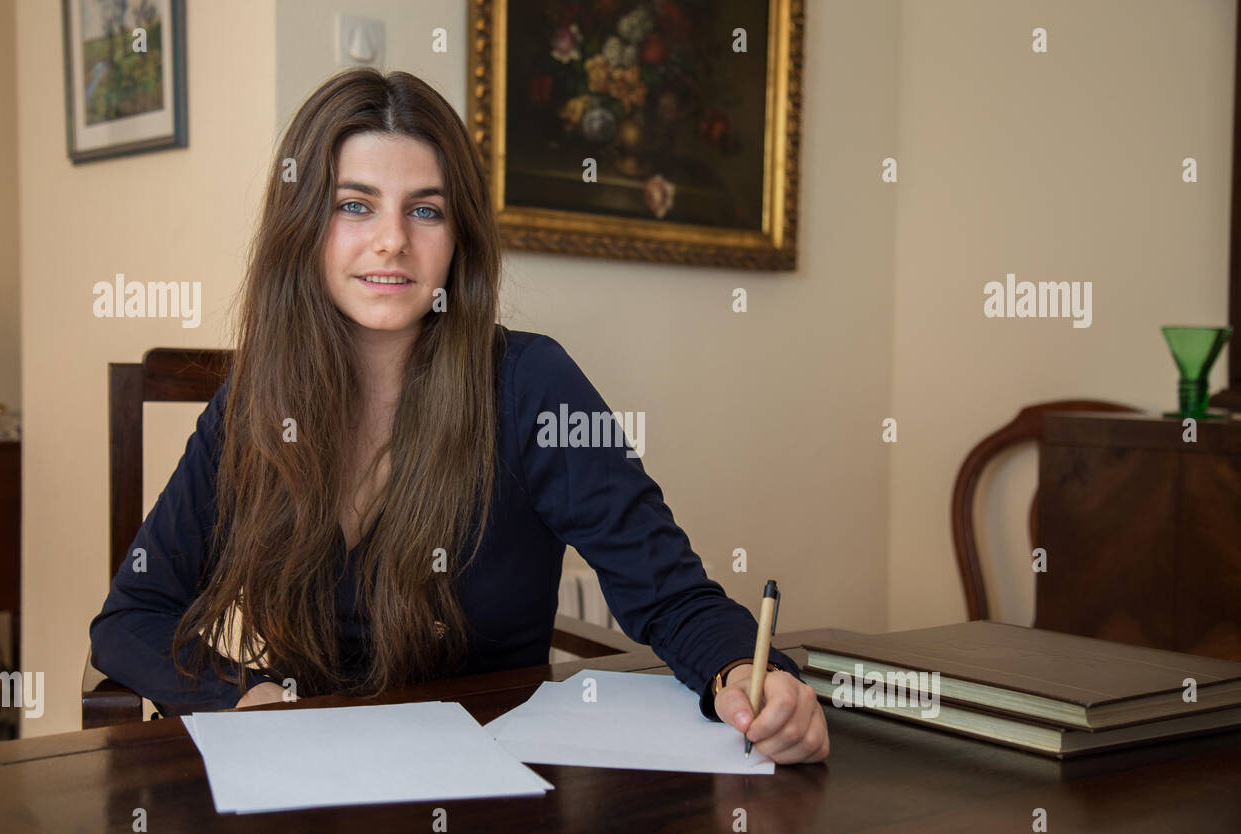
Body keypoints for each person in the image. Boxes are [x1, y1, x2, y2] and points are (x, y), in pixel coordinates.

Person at [88, 68, 829, 765]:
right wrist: (248, 697)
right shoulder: (254, 404)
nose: (392, 240)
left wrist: (749, 672)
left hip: (491, 784)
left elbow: (669, 593)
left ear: (457, 240)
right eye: (354, 205)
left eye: (426, 210)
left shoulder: (534, 384)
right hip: (310, 779)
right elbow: (132, 617)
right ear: (303, 226)